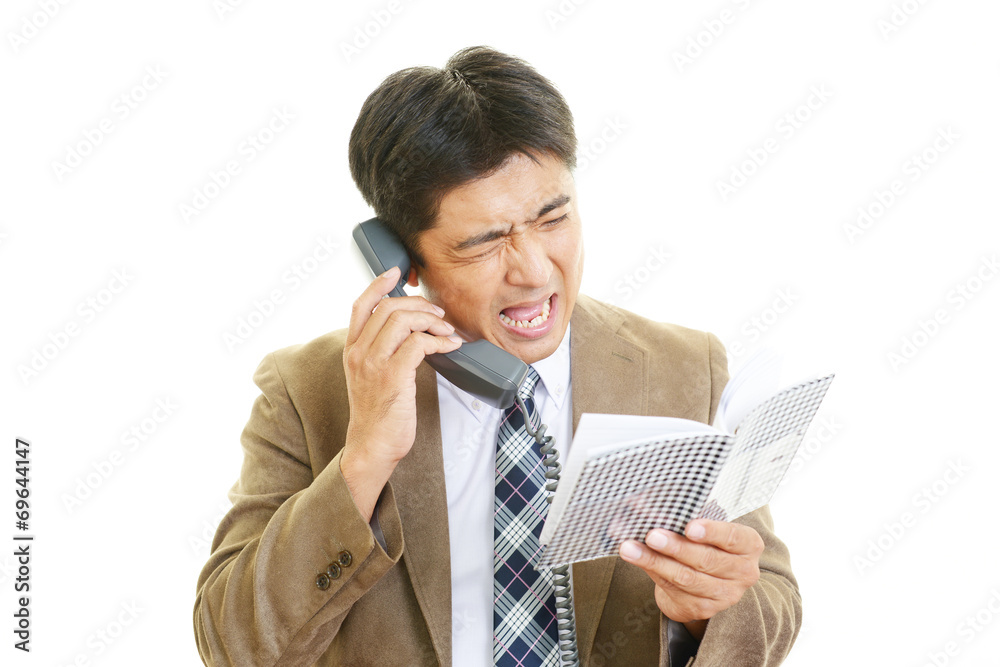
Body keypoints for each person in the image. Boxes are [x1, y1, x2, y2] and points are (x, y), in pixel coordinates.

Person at [193, 46, 801, 666]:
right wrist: (364, 457)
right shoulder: (305, 390)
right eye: (484, 243)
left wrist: (704, 610)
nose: (534, 271)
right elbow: (233, 648)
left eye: (553, 218)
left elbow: (772, 604)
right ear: (402, 261)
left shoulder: (685, 368)